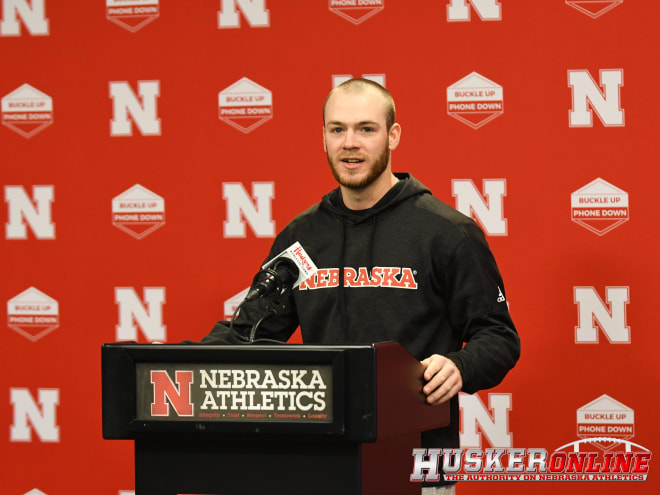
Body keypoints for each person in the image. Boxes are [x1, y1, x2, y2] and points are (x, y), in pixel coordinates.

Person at [203, 78, 521, 494]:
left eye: (366, 129)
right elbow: (251, 332)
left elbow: (498, 337)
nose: (349, 143)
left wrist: (459, 366)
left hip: (417, 468)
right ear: (323, 138)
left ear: (393, 136)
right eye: (338, 129)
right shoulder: (302, 238)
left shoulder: (446, 233)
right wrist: (182, 363)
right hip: (321, 465)